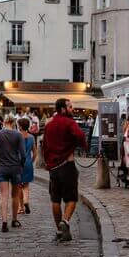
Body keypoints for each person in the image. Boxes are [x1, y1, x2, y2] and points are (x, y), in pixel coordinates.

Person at [41, 97, 87, 242]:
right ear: (63, 109)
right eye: (70, 107)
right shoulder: (69, 122)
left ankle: (59, 231)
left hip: (53, 167)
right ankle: (65, 221)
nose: (72, 109)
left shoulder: (49, 124)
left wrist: (48, 161)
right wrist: (81, 145)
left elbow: (44, 145)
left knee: (55, 199)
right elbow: (80, 135)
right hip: (67, 164)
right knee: (71, 198)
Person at [0, 115, 26, 232]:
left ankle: (4, 222)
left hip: (2, 168)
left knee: (4, 195)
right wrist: (20, 165)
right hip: (15, 168)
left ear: (4, 122)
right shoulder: (18, 135)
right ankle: (14, 219)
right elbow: (23, 154)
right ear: (13, 122)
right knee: (15, 195)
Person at [17, 117, 38, 214]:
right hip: (28, 163)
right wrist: (31, 161)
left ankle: (21, 207)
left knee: (19, 186)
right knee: (26, 185)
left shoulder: (17, 136)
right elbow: (35, 152)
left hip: (18, 163)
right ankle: (26, 201)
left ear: (20, 127)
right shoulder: (31, 137)